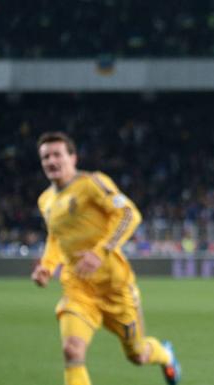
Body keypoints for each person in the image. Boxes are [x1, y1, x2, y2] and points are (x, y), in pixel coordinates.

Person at [30, 132, 181, 385]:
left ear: (73, 157)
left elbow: (129, 213)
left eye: (57, 154)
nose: (51, 161)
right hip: (78, 287)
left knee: (137, 354)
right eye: (46, 156)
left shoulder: (92, 183)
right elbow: (55, 237)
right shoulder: (45, 200)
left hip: (115, 287)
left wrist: (100, 252)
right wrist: (46, 266)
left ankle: (165, 355)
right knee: (72, 351)